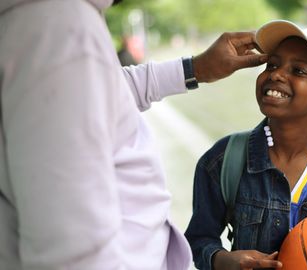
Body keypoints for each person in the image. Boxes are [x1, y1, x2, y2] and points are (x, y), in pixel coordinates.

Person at [0, 0, 267, 269]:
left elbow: (105, 90)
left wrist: (196, 69)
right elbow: (71, 251)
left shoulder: (52, 23)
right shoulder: (59, 26)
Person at [185, 20, 307, 270]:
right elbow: (198, 239)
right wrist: (221, 260)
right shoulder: (224, 160)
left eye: (298, 70)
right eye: (273, 64)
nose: (277, 74)